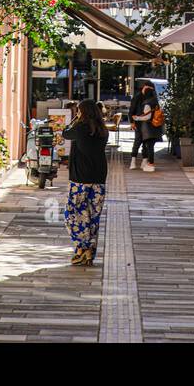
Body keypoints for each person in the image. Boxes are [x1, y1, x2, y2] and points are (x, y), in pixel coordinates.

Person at [62, 100, 109, 266]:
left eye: (79, 111)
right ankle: (87, 252)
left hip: (81, 179)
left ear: (83, 112)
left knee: (73, 215)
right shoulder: (103, 131)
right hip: (99, 179)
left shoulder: (80, 128)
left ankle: (82, 248)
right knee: (92, 217)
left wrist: (75, 119)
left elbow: (65, 133)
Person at [131, 83, 164, 172]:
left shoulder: (147, 103)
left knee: (148, 146)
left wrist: (136, 118)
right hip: (155, 126)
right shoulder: (156, 102)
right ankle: (148, 163)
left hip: (147, 128)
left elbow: (147, 116)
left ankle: (150, 164)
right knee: (150, 146)